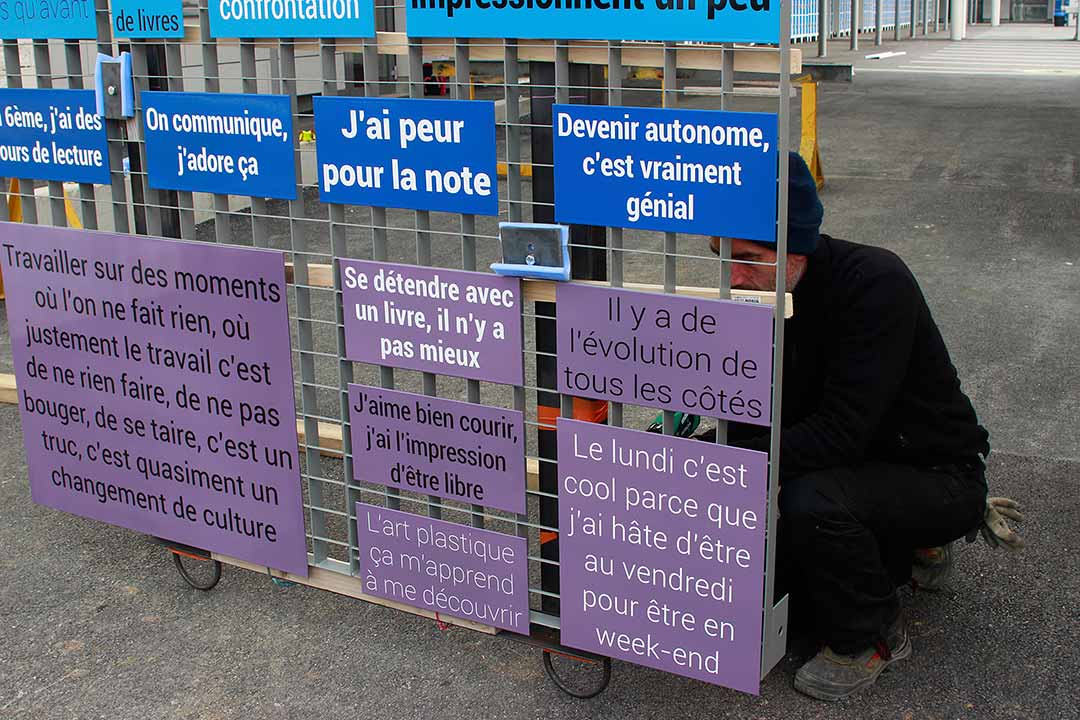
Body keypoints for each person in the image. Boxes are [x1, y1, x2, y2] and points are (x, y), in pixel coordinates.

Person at [704, 152, 993, 701]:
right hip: (845, 458)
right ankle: (899, 549)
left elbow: (839, 433)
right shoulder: (754, 293)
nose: (734, 279)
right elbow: (742, 405)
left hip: (931, 467)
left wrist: (721, 464)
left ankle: (871, 635)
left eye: (748, 258)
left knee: (811, 503)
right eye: (720, 258)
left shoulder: (876, 284)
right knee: (785, 583)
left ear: (799, 243)